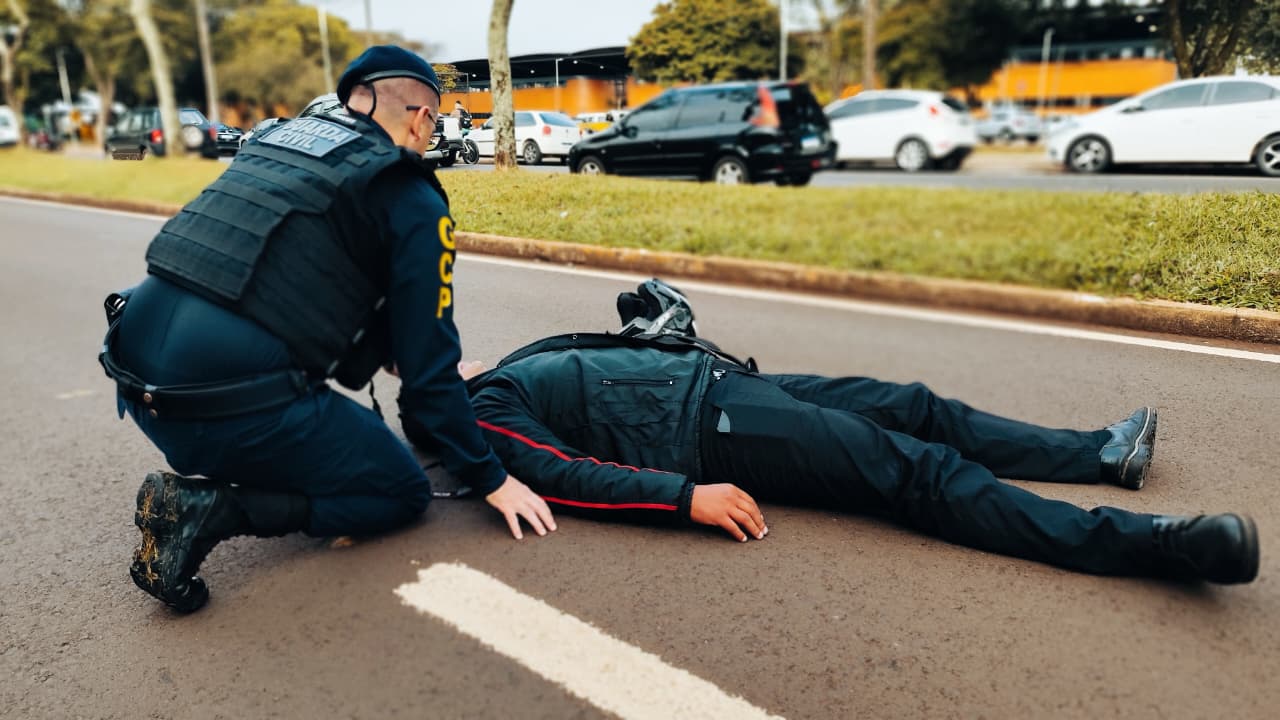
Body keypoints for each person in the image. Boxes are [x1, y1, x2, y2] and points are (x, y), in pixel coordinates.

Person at [100, 45, 555, 614]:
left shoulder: (274, 145)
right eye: (434, 120)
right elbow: (428, 379)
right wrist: (492, 479)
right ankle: (210, 508)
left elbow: (279, 281)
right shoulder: (409, 194)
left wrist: (406, 356)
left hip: (132, 379)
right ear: (420, 119)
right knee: (399, 490)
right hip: (216, 415)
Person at [460, 279, 1260, 585]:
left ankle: (1097, 453)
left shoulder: (515, 363)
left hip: (732, 384)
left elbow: (617, 373)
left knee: (912, 404)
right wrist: (686, 498)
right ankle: (1153, 546)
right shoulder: (485, 413)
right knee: (917, 470)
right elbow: (567, 476)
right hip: (716, 431)